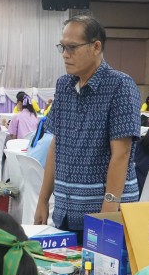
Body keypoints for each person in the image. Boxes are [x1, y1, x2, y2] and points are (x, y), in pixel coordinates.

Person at [34, 16, 140, 239]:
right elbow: (57, 143)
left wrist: (107, 213)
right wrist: (43, 200)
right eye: (62, 47)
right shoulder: (64, 85)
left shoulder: (120, 85)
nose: (65, 54)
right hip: (65, 211)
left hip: (103, 211)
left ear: (96, 47)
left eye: (72, 47)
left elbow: (121, 154)